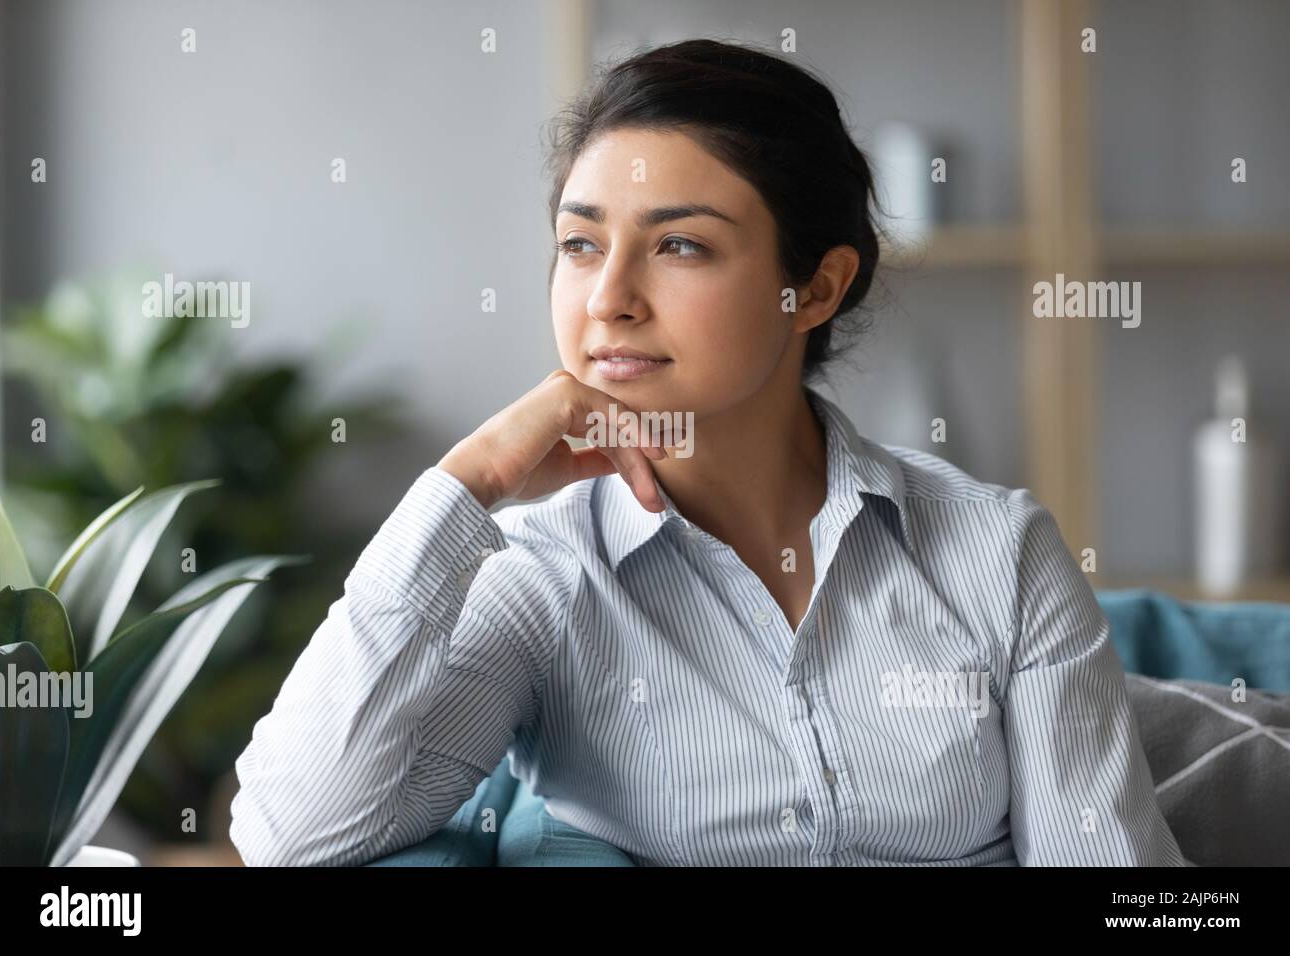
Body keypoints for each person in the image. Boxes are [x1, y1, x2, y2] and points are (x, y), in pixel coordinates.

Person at [230, 38, 1184, 867]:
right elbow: (294, 835)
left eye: (679, 245)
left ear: (814, 289)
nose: (609, 298)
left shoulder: (996, 554)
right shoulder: (547, 580)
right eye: (577, 244)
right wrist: (469, 479)